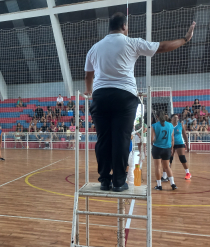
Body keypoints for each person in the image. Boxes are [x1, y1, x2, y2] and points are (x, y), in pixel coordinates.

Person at [84, 12, 196, 192]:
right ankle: (119, 182)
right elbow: (161, 47)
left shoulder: (95, 48)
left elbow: (88, 75)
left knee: (103, 139)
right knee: (121, 139)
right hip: (124, 96)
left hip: (100, 97)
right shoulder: (132, 42)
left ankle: (104, 180)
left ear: (109, 27)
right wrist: (184, 39)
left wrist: (89, 91)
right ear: (124, 27)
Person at [151, 111, 177, 191]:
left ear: (157, 117)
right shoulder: (170, 125)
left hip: (157, 148)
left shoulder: (154, 125)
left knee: (157, 167)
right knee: (167, 167)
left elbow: (152, 140)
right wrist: (172, 148)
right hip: (167, 148)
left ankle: (159, 185)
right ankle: (173, 184)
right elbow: (172, 138)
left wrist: (156, 141)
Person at [164, 114, 191, 181]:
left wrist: (187, 145)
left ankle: (188, 173)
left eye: (177, 117)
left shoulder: (180, 125)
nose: (176, 119)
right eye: (174, 117)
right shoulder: (169, 125)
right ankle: (167, 175)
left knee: (182, 157)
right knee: (169, 159)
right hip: (171, 144)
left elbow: (184, 135)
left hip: (180, 143)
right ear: (171, 118)